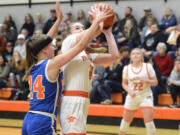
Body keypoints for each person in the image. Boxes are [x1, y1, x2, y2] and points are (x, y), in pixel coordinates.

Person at [22, 2, 110, 135]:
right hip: (43, 120)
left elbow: (44, 42)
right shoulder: (52, 64)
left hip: (29, 119)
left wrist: (59, 19)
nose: (54, 47)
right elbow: (80, 46)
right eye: (51, 46)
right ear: (44, 50)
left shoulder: (33, 66)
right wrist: (96, 21)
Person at [59, 7, 119, 135]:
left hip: (84, 99)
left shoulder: (88, 54)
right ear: (70, 34)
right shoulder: (68, 43)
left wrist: (108, 33)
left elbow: (114, 56)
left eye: (82, 27)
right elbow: (91, 33)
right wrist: (98, 19)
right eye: (77, 28)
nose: (81, 29)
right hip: (72, 98)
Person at [119, 48, 158, 135]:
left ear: (141, 56)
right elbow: (124, 84)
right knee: (125, 122)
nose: (135, 55)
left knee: (149, 123)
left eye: (138, 53)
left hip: (145, 96)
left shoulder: (148, 67)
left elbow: (155, 82)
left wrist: (145, 80)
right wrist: (130, 91)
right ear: (130, 57)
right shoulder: (126, 68)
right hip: (132, 96)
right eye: (133, 54)